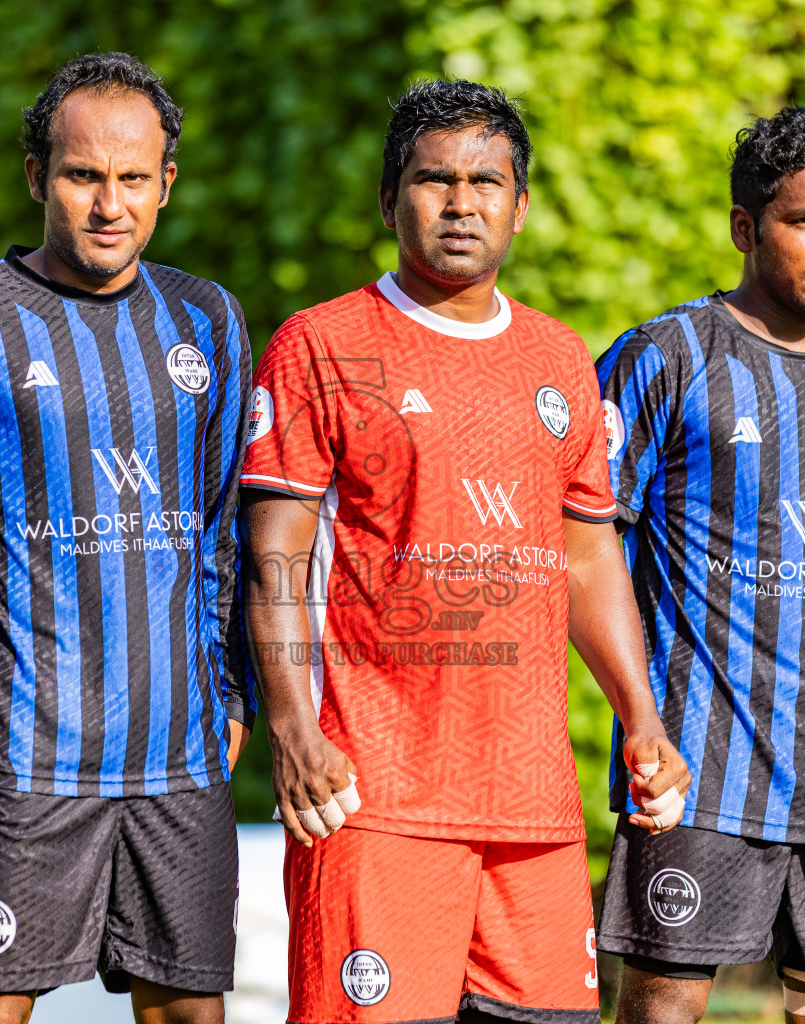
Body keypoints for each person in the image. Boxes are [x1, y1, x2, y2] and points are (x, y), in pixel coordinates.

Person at [241, 78, 688, 1024]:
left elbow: (588, 556)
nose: (460, 203)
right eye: (434, 180)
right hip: (373, 797)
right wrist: (291, 727)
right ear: (390, 198)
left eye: (486, 182)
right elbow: (275, 557)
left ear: (519, 208)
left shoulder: (561, 358)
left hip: (534, 807)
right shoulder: (321, 345)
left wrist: (640, 716)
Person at [0, 53, 252, 1024]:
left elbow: (224, 533)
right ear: (39, 174)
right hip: (20, 756)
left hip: (180, 757)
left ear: (167, 182)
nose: (109, 203)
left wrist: (235, 690)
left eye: (134, 178)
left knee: (190, 1011)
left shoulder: (207, 319)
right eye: (85, 175)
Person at [594, 107, 805, 1024]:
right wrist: (639, 720)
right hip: (699, 767)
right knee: (663, 1009)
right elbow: (590, 549)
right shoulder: (665, 358)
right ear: (744, 228)